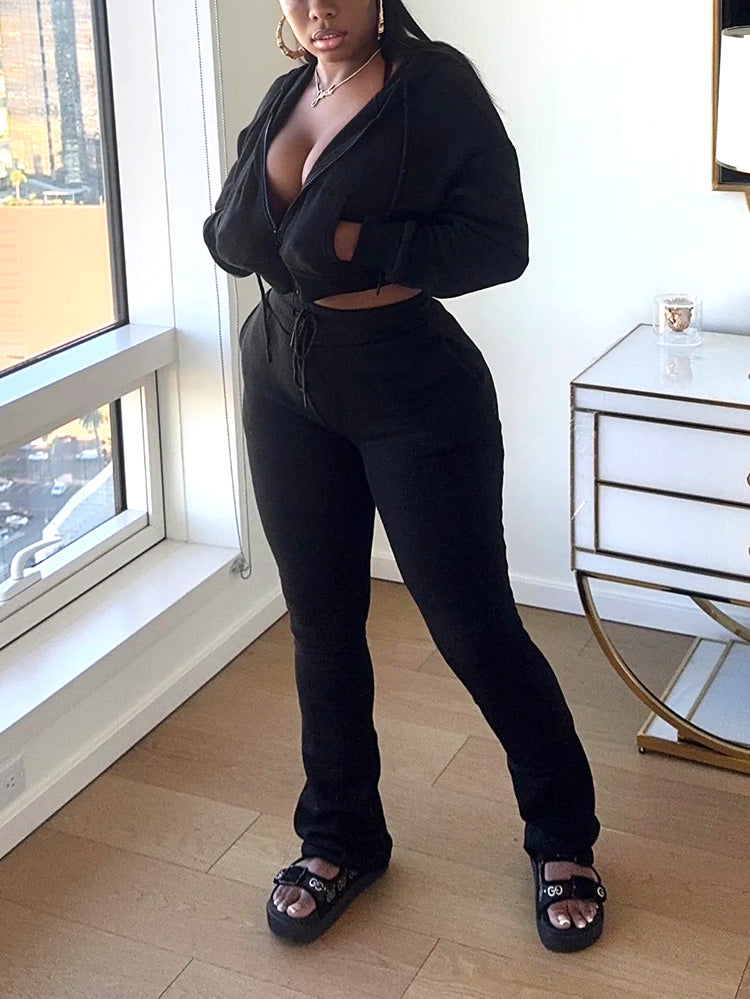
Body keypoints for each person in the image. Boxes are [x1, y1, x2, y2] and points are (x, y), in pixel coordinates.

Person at [203, 0, 607, 953]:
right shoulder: (285, 96)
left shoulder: (436, 86)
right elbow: (237, 236)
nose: (318, 9)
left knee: (474, 627)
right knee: (322, 624)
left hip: (412, 389)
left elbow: (498, 242)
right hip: (283, 379)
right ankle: (340, 835)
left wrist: (361, 246)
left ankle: (563, 835)